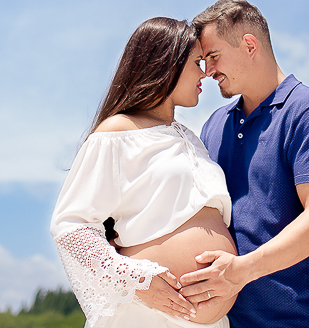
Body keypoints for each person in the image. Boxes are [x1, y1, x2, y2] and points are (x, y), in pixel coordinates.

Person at [50, 17, 238, 328]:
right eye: (196, 62)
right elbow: (71, 225)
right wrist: (135, 280)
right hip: (145, 317)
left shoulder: (191, 138)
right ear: (167, 64)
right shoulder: (117, 132)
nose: (204, 73)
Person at [178, 0, 309, 328]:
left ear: (249, 45)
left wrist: (241, 271)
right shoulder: (214, 125)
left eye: (213, 56)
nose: (208, 70)